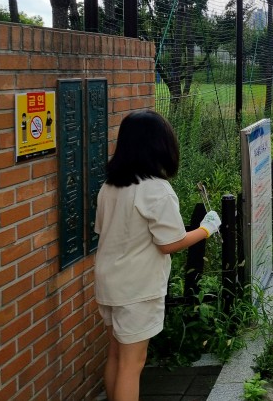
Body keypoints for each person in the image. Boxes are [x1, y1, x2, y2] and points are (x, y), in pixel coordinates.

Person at [94, 111, 221, 401]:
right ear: (160, 145)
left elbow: (103, 230)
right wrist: (206, 229)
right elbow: (170, 243)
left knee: (116, 355)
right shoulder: (156, 190)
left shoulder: (110, 186)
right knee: (132, 364)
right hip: (137, 288)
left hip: (109, 283)